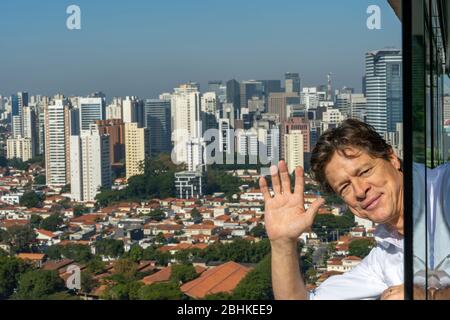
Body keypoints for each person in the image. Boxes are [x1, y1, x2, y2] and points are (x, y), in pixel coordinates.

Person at [259, 119, 405, 300]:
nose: (360, 191)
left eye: (364, 172)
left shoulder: (441, 192)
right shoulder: (384, 258)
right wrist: (283, 243)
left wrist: (427, 292)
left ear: (392, 159)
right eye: (345, 187)